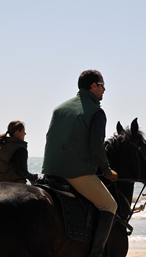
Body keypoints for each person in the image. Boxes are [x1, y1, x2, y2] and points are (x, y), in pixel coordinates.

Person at [42, 69, 118, 257]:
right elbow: (97, 147)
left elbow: (49, 137)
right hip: (76, 172)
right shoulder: (96, 112)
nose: (104, 89)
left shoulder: (59, 108)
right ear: (93, 86)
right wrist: (107, 170)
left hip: (50, 170)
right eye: (102, 85)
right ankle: (96, 254)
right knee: (110, 205)